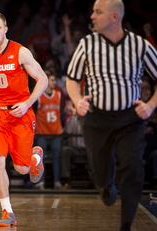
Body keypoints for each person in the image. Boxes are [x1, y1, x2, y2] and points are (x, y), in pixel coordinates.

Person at [65, 0, 157, 230]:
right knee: (99, 172)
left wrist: (151, 105)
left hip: (130, 118)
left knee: (133, 167)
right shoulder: (87, 44)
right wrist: (77, 101)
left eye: (98, 12)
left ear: (114, 17)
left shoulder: (139, 45)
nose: (92, 16)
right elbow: (72, 80)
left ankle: (126, 224)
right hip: (96, 118)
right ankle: (106, 186)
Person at [0, 11, 48, 227]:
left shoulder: (20, 52)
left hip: (19, 113)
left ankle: (35, 158)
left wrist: (27, 103)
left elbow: (42, 79)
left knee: (22, 169)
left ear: (5, 29)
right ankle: (7, 212)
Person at [34, 70, 64, 190]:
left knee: (57, 156)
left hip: (56, 131)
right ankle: (40, 182)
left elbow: (61, 112)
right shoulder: (39, 96)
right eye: (52, 80)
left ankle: (57, 181)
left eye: (54, 80)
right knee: (40, 157)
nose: (54, 82)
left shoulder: (58, 94)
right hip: (42, 131)